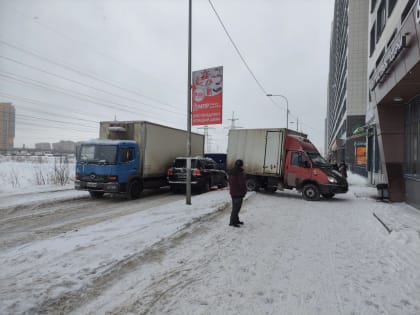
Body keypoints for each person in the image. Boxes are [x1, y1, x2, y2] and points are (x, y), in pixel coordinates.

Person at [229, 159, 247, 228]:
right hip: (238, 193)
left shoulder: (231, 171)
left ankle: (236, 220)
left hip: (233, 192)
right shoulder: (239, 172)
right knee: (236, 208)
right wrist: (244, 191)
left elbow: (230, 182)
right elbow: (241, 183)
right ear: (241, 165)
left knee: (235, 208)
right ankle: (232, 222)